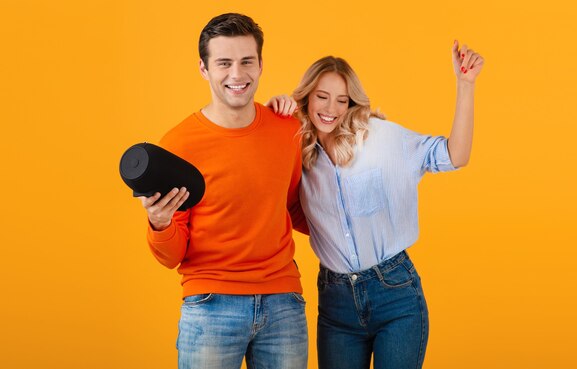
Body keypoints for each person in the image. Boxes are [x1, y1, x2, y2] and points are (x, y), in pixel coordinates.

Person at [268, 41, 483, 369]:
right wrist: (274, 110)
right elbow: (268, 174)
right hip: (336, 302)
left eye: (341, 100)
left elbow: (455, 156)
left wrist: (465, 85)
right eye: (322, 97)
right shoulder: (296, 149)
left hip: (395, 294)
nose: (331, 108)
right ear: (307, 96)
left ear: (351, 102)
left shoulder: (378, 137)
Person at [139, 13, 308, 369]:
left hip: (283, 303)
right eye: (224, 63)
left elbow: (296, 208)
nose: (237, 74)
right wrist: (159, 224)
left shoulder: (286, 129)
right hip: (210, 304)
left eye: (247, 61)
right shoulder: (178, 145)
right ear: (204, 68)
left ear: (261, 64)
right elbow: (172, 256)